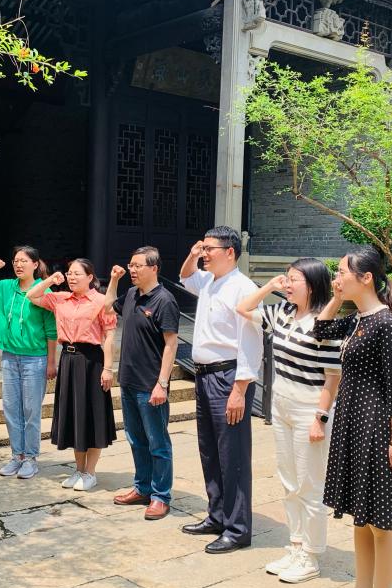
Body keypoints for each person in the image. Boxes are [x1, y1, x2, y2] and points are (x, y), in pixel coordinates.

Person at [312, 245, 392, 588]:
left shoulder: (385, 324)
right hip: (351, 424)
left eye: (342, 272)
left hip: (374, 428)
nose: (336, 278)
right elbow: (320, 330)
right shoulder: (358, 320)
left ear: (366, 277)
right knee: (361, 517)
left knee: (381, 522)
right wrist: (337, 299)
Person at [237, 259, 341, 583]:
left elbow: (332, 378)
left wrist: (320, 419)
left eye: (294, 279)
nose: (288, 283)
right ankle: (295, 545)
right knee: (288, 481)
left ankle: (311, 554)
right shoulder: (282, 312)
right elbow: (243, 308)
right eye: (287, 278)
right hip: (281, 406)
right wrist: (269, 286)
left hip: (309, 409)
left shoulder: (325, 324)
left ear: (312, 285)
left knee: (310, 485)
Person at [178, 227, 264, 553]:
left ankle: (237, 528)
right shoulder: (209, 281)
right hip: (204, 376)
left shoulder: (243, 288)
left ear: (230, 252)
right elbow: (185, 276)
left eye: (209, 249)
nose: (204, 254)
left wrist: (239, 390)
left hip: (229, 378)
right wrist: (193, 253)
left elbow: (251, 343)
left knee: (233, 456)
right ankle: (216, 515)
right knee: (210, 450)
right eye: (203, 248)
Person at [104, 247, 180, 521]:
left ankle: (161, 496)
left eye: (138, 266)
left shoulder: (164, 300)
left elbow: (171, 344)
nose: (132, 270)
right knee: (136, 439)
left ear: (154, 268)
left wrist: (162, 384)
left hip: (150, 385)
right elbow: (107, 306)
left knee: (157, 443)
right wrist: (114, 280)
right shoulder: (132, 294)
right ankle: (143, 488)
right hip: (128, 381)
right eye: (131, 265)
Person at [0, 247, 58, 479]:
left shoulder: (43, 290)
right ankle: (17, 456)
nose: (18, 265)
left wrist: (51, 362)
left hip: (35, 359)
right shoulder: (5, 287)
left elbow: (51, 331)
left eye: (24, 261)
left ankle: (30, 458)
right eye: (16, 261)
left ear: (35, 264)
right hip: (9, 357)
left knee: (31, 410)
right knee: (11, 408)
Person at [28, 259, 117, 491]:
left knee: (92, 416)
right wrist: (50, 280)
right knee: (75, 416)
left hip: (91, 361)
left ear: (90, 277)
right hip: (68, 359)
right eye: (69, 273)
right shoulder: (60, 298)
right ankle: (78, 470)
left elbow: (109, 336)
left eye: (77, 273)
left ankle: (90, 472)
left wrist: (108, 368)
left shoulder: (101, 301)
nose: (71, 277)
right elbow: (32, 295)